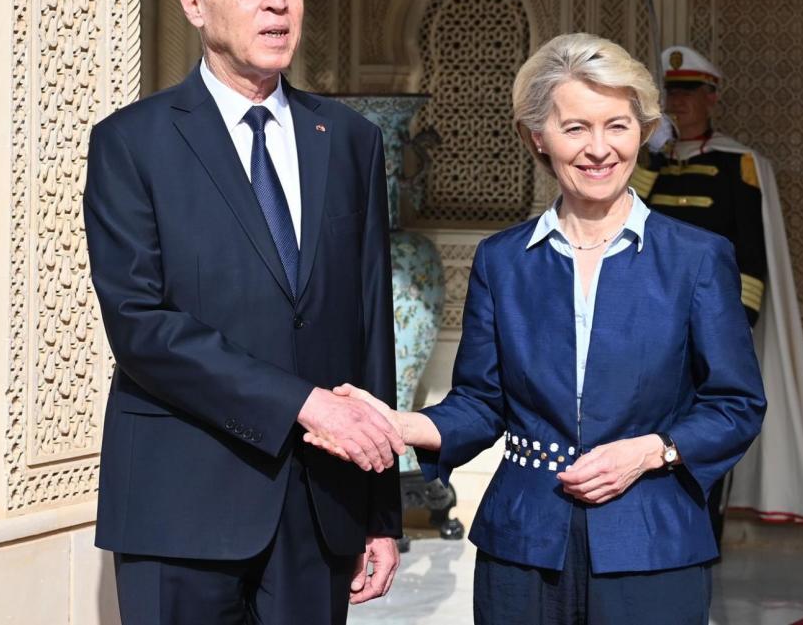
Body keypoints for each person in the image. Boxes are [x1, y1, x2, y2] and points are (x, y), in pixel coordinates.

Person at [309, 33, 766, 624]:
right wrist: (405, 425)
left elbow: (736, 404)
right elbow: (481, 402)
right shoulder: (504, 260)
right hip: (523, 546)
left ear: (644, 131)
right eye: (575, 127)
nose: (599, 148)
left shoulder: (697, 259)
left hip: (653, 545)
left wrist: (653, 450)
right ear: (537, 137)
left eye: (618, 126)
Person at [83, 0, 404, 625]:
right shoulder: (131, 143)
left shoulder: (350, 140)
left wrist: (382, 507)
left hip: (321, 505)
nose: (278, 2)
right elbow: (140, 326)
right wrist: (302, 402)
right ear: (194, 4)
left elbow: (369, 325)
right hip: (180, 505)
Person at [631, 46, 803, 539]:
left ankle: (705, 527)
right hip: (645, 317)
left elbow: (750, 248)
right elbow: (620, 213)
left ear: (711, 97)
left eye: (687, 93)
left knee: (702, 426)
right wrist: (652, 156)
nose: (676, 104)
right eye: (670, 94)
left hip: (706, 318)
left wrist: (738, 321)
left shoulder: (737, 163)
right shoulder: (649, 160)